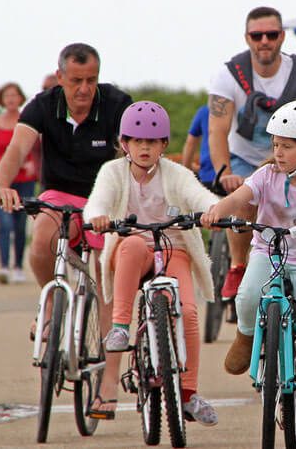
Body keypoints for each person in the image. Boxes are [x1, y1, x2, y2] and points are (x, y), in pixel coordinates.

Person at [0, 43, 132, 410]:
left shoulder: (116, 103)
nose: (84, 89)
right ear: (60, 78)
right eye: (76, 81)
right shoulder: (42, 104)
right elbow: (17, 150)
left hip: (104, 198)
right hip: (59, 195)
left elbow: (130, 156)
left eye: (91, 80)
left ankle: (105, 377)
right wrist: (3, 185)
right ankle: (51, 302)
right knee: (41, 240)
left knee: (105, 279)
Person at [201, 100, 296, 417]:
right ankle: (246, 336)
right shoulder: (266, 174)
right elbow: (239, 197)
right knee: (245, 295)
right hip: (267, 251)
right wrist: (219, 209)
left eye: (287, 146)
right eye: (276, 145)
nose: (279, 152)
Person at [84, 100, 219, 425]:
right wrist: (99, 217)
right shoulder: (112, 172)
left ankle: (187, 394)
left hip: (174, 249)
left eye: (152, 142)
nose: (144, 148)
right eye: (137, 141)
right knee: (130, 245)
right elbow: (97, 201)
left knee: (187, 311)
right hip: (133, 249)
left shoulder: (176, 173)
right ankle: (119, 327)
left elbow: (201, 197)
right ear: (124, 144)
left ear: (163, 145)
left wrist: (214, 211)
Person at [208, 6, 296, 300]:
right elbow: (217, 129)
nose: (264, 41)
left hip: (293, 157)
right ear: (247, 38)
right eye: (257, 35)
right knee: (242, 200)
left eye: (271, 34)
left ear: (282, 37)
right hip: (245, 158)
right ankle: (238, 265)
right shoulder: (229, 74)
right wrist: (225, 173)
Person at [0, 82, 37, 284]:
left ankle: (18, 266)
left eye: (14, 95)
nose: (11, 99)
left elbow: (38, 147)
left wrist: (33, 166)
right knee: (5, 223)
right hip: (0, 179)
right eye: (7, 96)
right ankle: (4, 266)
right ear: (2, 99)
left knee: (20, 226)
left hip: (24, 180)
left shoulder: (28, 119)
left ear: (20, 98)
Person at [181, 105, 216, 187]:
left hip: (208, 177)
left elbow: (190, 144)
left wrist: (187, 168)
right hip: (240, 176)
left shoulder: (205, 111)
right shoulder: (243, 111)